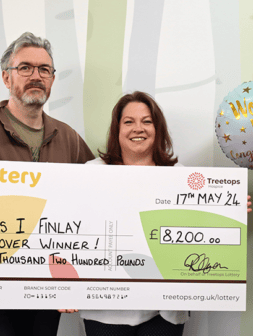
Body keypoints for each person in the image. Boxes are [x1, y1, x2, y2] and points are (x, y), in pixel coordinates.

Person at [0, 32, 94, 335]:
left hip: (47, 295)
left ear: (51, 79)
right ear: (6, 78)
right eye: (25, 68)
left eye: (44, 69)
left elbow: (95, 203)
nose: (36, 76)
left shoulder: (70, 139)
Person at [79, 91, 189, 336]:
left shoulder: (179, 175)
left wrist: (230, 209)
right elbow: (74, 228)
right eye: (128, 122)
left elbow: (193, 230)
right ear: (117, 130)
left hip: (164, 309)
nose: (138, 128)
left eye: (147, 121)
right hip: (105, 310)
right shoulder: (92, 172)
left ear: (157, 129)